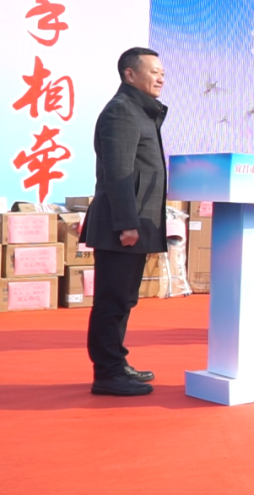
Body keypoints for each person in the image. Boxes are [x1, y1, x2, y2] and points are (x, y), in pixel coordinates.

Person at [82, 47, 167, 397]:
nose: (161, 77)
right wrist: (127, 224)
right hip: (122, 227)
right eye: (154, 71)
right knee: (112, 300)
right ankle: (107, 374)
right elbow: (118, 174)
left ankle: (116, 363)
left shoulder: (140, 111)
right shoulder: (122, 111)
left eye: (163, 72)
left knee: (123, 300)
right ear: (130, 74)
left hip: (132, 224)